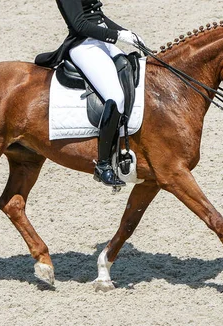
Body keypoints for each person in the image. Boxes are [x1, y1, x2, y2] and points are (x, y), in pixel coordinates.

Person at [36, 0, 145, 187]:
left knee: (136, 71)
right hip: (84, 46)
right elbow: (80, 25)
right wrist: (116, 35)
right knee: (115, 97)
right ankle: (103, 165)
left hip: (102, 42)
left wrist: (128, 34)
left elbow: (97, 15)